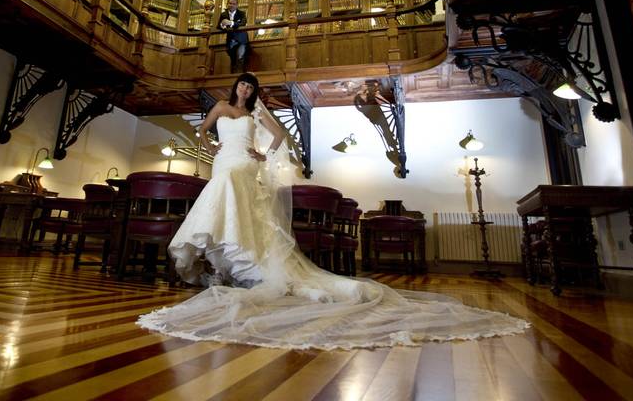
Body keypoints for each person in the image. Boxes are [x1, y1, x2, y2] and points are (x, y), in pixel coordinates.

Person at [137, 73, 529, 350]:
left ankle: (237, 264)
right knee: (221, 194)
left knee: (234, 200)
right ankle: (224, 262)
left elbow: (280, 135)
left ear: (254, 92)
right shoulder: (221, 107)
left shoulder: (258, 114)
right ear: (235, 86)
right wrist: (210, 148)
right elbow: (203, 131)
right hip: (225, 162)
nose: (245, 89)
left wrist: (263, 153)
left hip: (245, 166)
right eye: (243, 83)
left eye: (251, 86)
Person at [218, 0, 249, 73]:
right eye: (230, 3)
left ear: (237, 5)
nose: (232, 5)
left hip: (241, 40)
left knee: (240, 57)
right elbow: (218, 26)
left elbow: (242, 23)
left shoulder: (242, 13)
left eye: (234, 4)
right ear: (227, 4)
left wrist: (230, 23)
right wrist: (223, 24)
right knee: (232, 59)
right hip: (230, 40)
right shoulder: (223, 15)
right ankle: (232, 77)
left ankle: (238, 76)